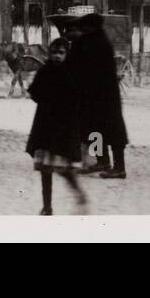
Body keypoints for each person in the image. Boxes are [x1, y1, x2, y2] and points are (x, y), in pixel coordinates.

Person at [25, 38, 87, 216]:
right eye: (54, 53)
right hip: (45, 127)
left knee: (64, 169)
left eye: (61, 53)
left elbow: (77, 99)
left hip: (63, 129)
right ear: (49, 54)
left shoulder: (71, 73)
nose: (57, 56)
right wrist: (45, 100)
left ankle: (78, 193)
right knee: (45, 170)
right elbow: (34, 92)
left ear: (66, 55)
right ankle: (47, 207)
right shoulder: (44, 71)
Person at [67, 12, 129, 178]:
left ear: (89, 28)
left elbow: (76, 68)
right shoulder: (100, 41)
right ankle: (103, 162)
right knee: (99, 129)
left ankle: (117, 168)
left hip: (98, 96)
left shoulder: (89, 43)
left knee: (104, 130)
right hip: (104, 96)